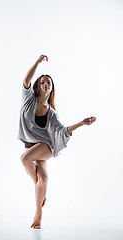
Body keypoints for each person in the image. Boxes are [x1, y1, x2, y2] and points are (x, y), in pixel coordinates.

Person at [17, 55, 96, 229]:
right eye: (43, 82)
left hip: (45, 146)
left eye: (48, 83)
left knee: (24, 159)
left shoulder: (51, 113)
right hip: (30, 144)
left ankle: (38, 214)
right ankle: (40, 194)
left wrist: (82, 124)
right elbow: (25, 79)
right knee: (42, 179)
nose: (45, 84)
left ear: (51, 88)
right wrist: (37, 63)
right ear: (38, 85)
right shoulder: (28, 99)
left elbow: (62, 131)